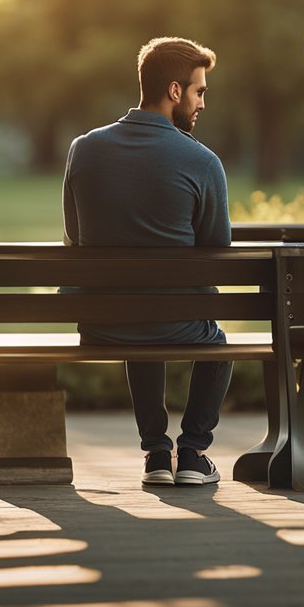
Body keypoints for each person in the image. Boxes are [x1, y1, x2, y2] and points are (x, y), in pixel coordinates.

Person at [62, 37, 231, 486]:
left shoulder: (84, 148)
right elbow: (217, 245)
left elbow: (75, 236)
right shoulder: (202, 161)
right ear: (174, 91)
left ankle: (157, 455)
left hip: (102, 323)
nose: (201, 104)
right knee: (216, 345)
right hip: (175, 322)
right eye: (199, 91)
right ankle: (193, 453)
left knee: (138, 314)